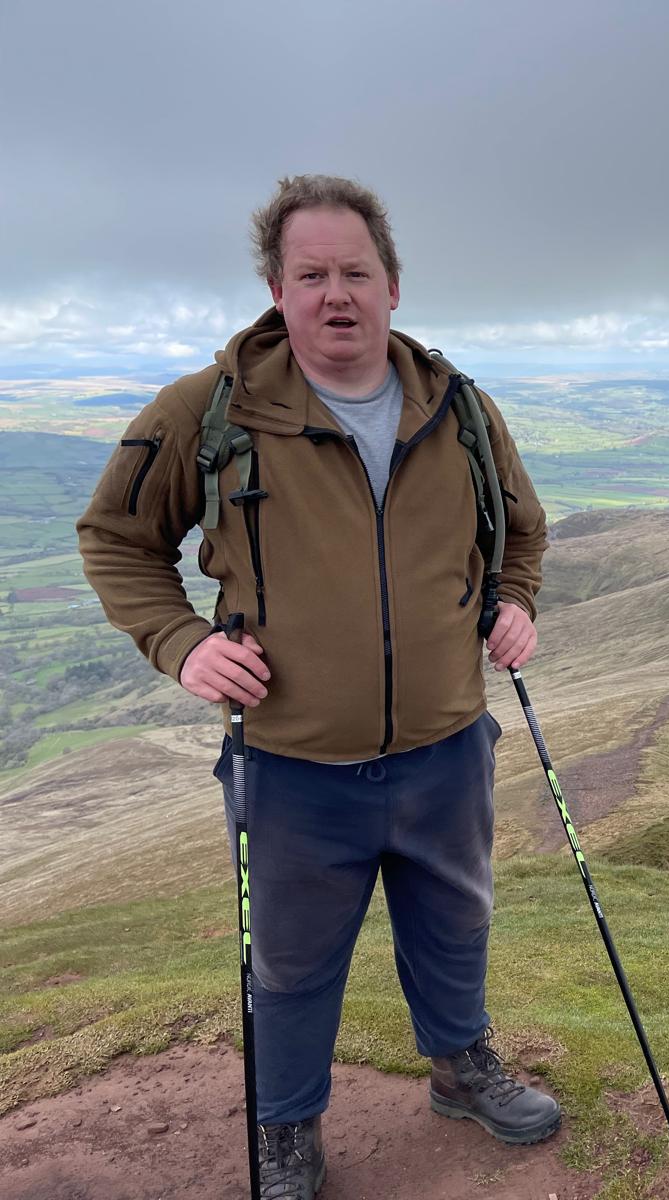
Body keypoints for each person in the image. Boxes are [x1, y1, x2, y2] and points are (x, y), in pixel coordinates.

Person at [76, 174, 555, 1198]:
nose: (336, 295)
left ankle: (461, 1066)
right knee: (289, 963)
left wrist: (513, 600)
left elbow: (520, 528)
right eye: (311, 275)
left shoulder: (460, 408)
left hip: (446, 746)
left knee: (456, 922)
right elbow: (116, 537)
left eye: (356, 273)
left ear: (392, 286)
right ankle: (286, 1127)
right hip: (290, 762)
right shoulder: (207, 412)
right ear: (275, 288)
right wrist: (178, 641)